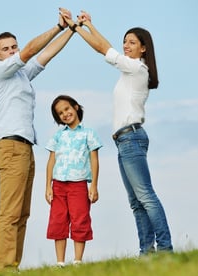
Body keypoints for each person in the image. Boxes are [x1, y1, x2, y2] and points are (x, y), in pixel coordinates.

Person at [62, 11, 173, 255]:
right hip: (124, 140)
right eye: (125, 41)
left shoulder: (136, 69)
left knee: (146, 197)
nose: (126, 45)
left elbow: (103, 48)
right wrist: (86, 25)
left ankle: (165, 248)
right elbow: (107, 47)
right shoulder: (129, 71)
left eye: (132, 42)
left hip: (131, 138)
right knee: (136, 202)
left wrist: (79, 27)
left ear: (144, 49)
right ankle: (147, 251)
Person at [0, 7, 75, 272]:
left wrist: (72, 30)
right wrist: (57, 27)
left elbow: (45, 55)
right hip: (10, 146)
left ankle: (13, 266)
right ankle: (4, 270)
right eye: (7, 49)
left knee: (22, 214)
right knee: (10, 212)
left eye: (13, 47)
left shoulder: (22, 76)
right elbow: (30, 51)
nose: (12, 51)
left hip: (25, 147)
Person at [45, 95, 102, 267]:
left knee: (80, 219)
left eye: (67, 109)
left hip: (79, 184)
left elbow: (94, 160)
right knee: (58, 221)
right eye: (60, 113)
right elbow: (51, 161)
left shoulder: (88, 133)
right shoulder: (58, 136)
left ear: (76, 107)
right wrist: (48, 186)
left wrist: (94, 185)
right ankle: (60, 263)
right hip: (59, 185)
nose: (65, 114)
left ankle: (77, 261)